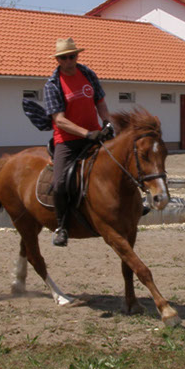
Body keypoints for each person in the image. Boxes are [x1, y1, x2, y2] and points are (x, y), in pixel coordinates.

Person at [44, 38, 111, 247]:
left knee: (123, 163)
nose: (69, 61)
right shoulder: (52, 84)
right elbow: (59, 120)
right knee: (60, 184)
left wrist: (107, 122)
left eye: (72, 56)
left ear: (77, 56)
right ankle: (61, 227)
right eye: (64, 58)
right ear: (58, 60)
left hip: (95, 134)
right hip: (68, 140)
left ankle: (133, 205)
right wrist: (86, 133)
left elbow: (100, 101)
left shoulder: (88, 73)